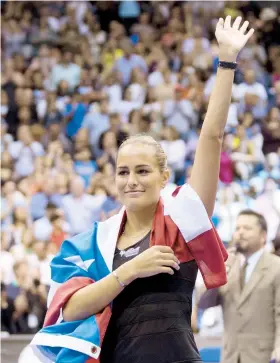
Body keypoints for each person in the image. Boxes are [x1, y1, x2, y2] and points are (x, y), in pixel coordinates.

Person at [30, 16, 255, 363]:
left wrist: (226, 62)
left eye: (142, 171)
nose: (131, 180)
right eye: (123, 171)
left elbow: (212, 138)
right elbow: (69, 310)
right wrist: (130, 270)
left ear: (164, 177)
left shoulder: (181, 223)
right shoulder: (93, 243)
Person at [198, 210, 280, 363]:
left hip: (264, 356)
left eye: (247, 228)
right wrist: (218, 273)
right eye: (237, 228)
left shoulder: (276, 267)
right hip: (230, 356)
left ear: (263, 236)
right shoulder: (227, 267)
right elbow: (203, 303)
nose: (240, 233)